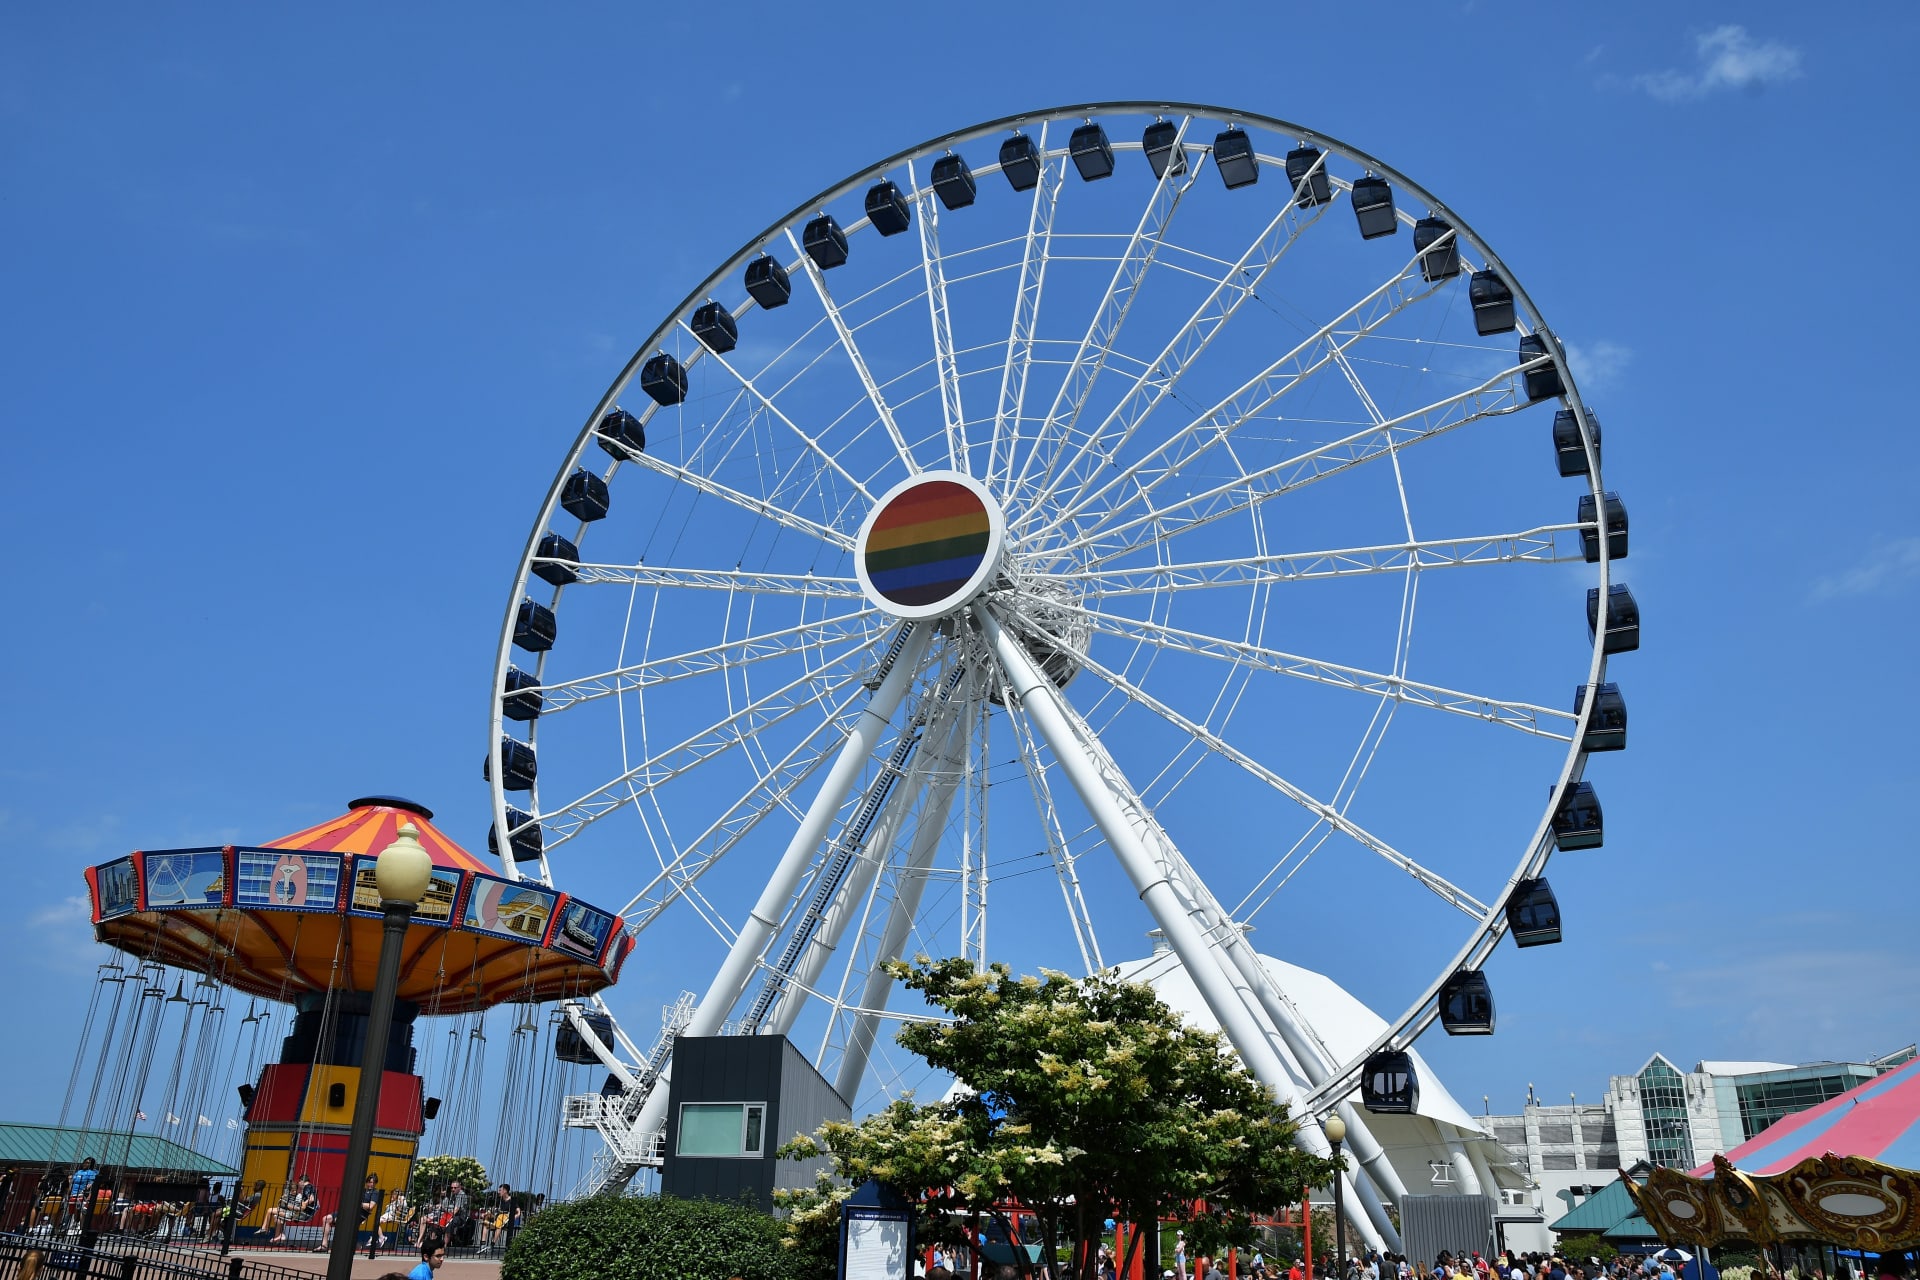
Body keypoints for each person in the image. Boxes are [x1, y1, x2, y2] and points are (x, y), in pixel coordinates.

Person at [319, 1173, 380, 1252]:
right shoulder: (362, 1190)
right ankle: (324, 1245)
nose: (371, 1184)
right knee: (326, 1218)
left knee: (343, 1224)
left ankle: (353, 1245)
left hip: (360, 1214)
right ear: (367, 1182)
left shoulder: (375, 1192)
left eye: (373, 1183)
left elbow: (371, 1206)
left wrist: (358, 1203)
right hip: (350, 1210)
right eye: (370, 1182)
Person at [264, 1174, 317, 1243]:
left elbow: (311, 1199)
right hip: (302, 1213)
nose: (299, 1184)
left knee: (270, 1210)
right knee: (277, 1217)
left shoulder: (307, 1187)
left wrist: (303, 1206)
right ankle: (278, 1236)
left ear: (302, 1181)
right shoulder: (311, 1187)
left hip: (301, 1213)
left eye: (299, 1182)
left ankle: (266, 1229)